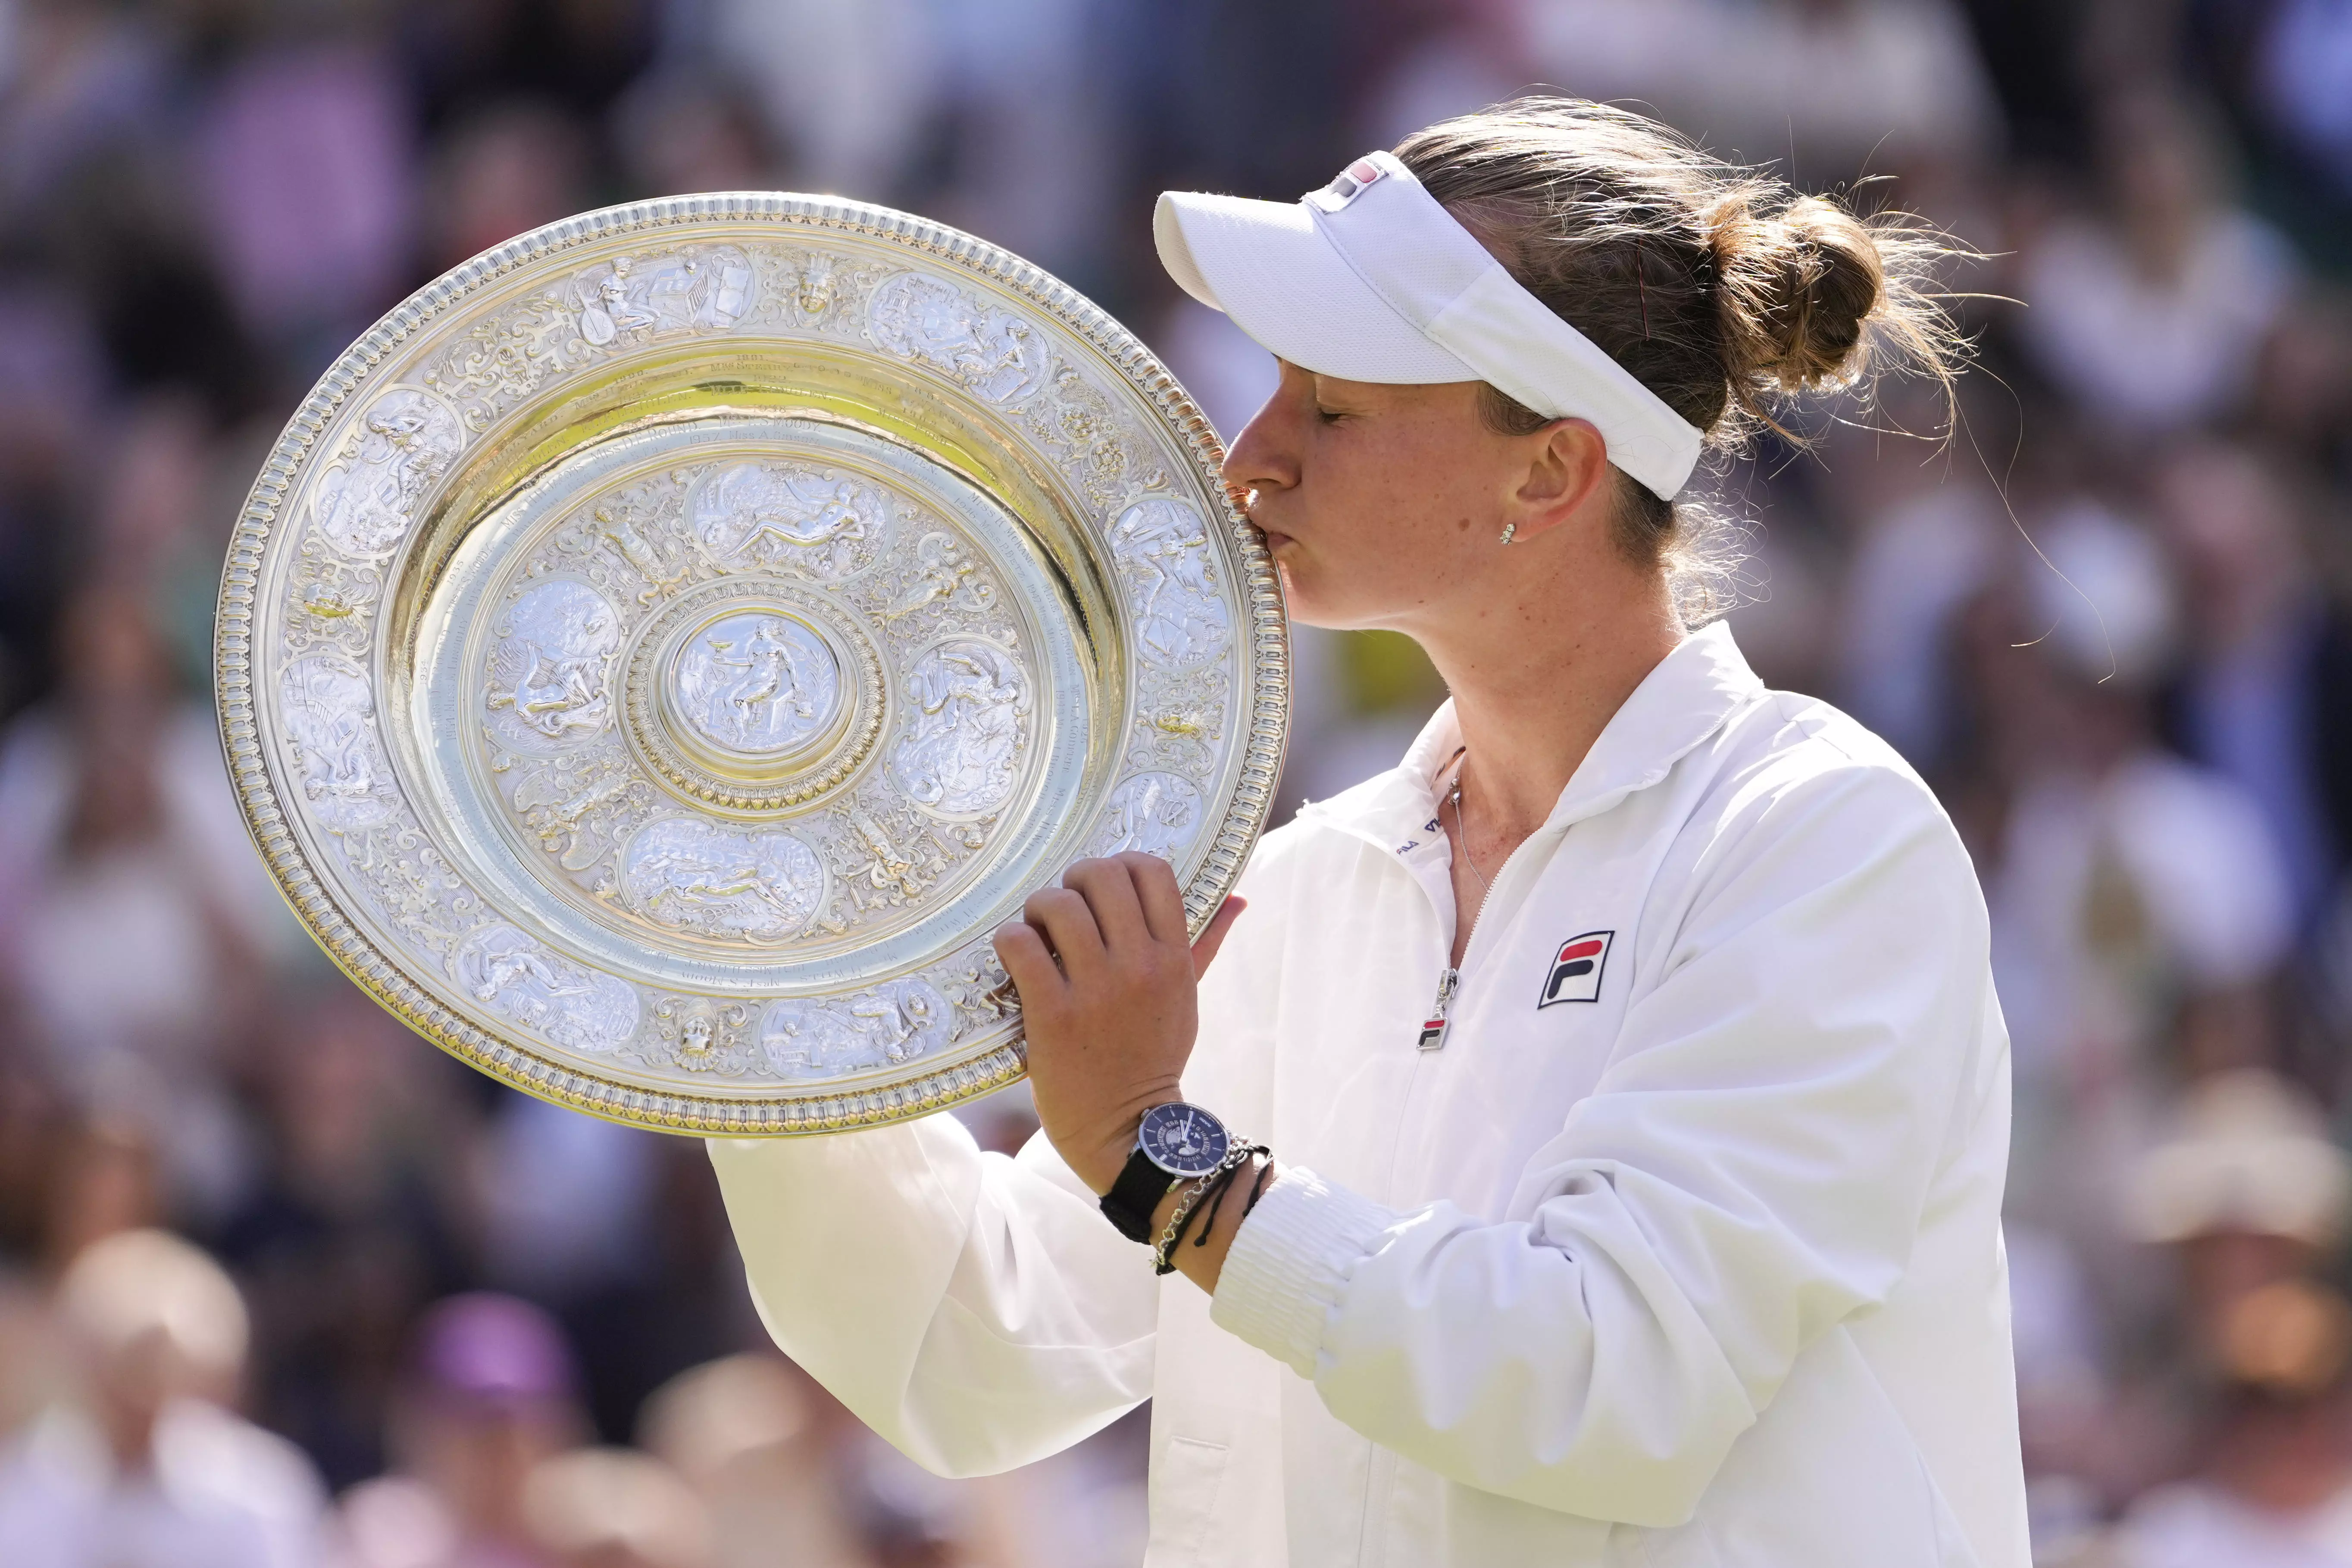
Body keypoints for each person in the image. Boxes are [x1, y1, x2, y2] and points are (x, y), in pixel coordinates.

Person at [713, 97, 2025, 1565]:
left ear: (1552, 471)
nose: (1251, 457)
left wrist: (1165, 1161)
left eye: (1333, 409)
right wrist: (758, 967)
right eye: (1277, 388)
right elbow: (979, 1347)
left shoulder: (1823, 841)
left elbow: (1612, 1383)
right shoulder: (1308, 878)